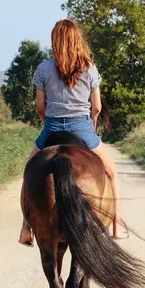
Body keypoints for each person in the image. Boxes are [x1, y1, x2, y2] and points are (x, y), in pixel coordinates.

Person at [18, 18, 129, 246]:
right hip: (82, 127)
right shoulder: (89, 68)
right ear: (77, 39)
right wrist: (92, 124)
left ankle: (26, 227)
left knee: (29, 172)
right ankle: (117, 224)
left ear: (55, 41)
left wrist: (47, 121)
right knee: (111, 173)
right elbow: (96, 106)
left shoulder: (43, 69)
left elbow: (40, 106)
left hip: (52, 128)